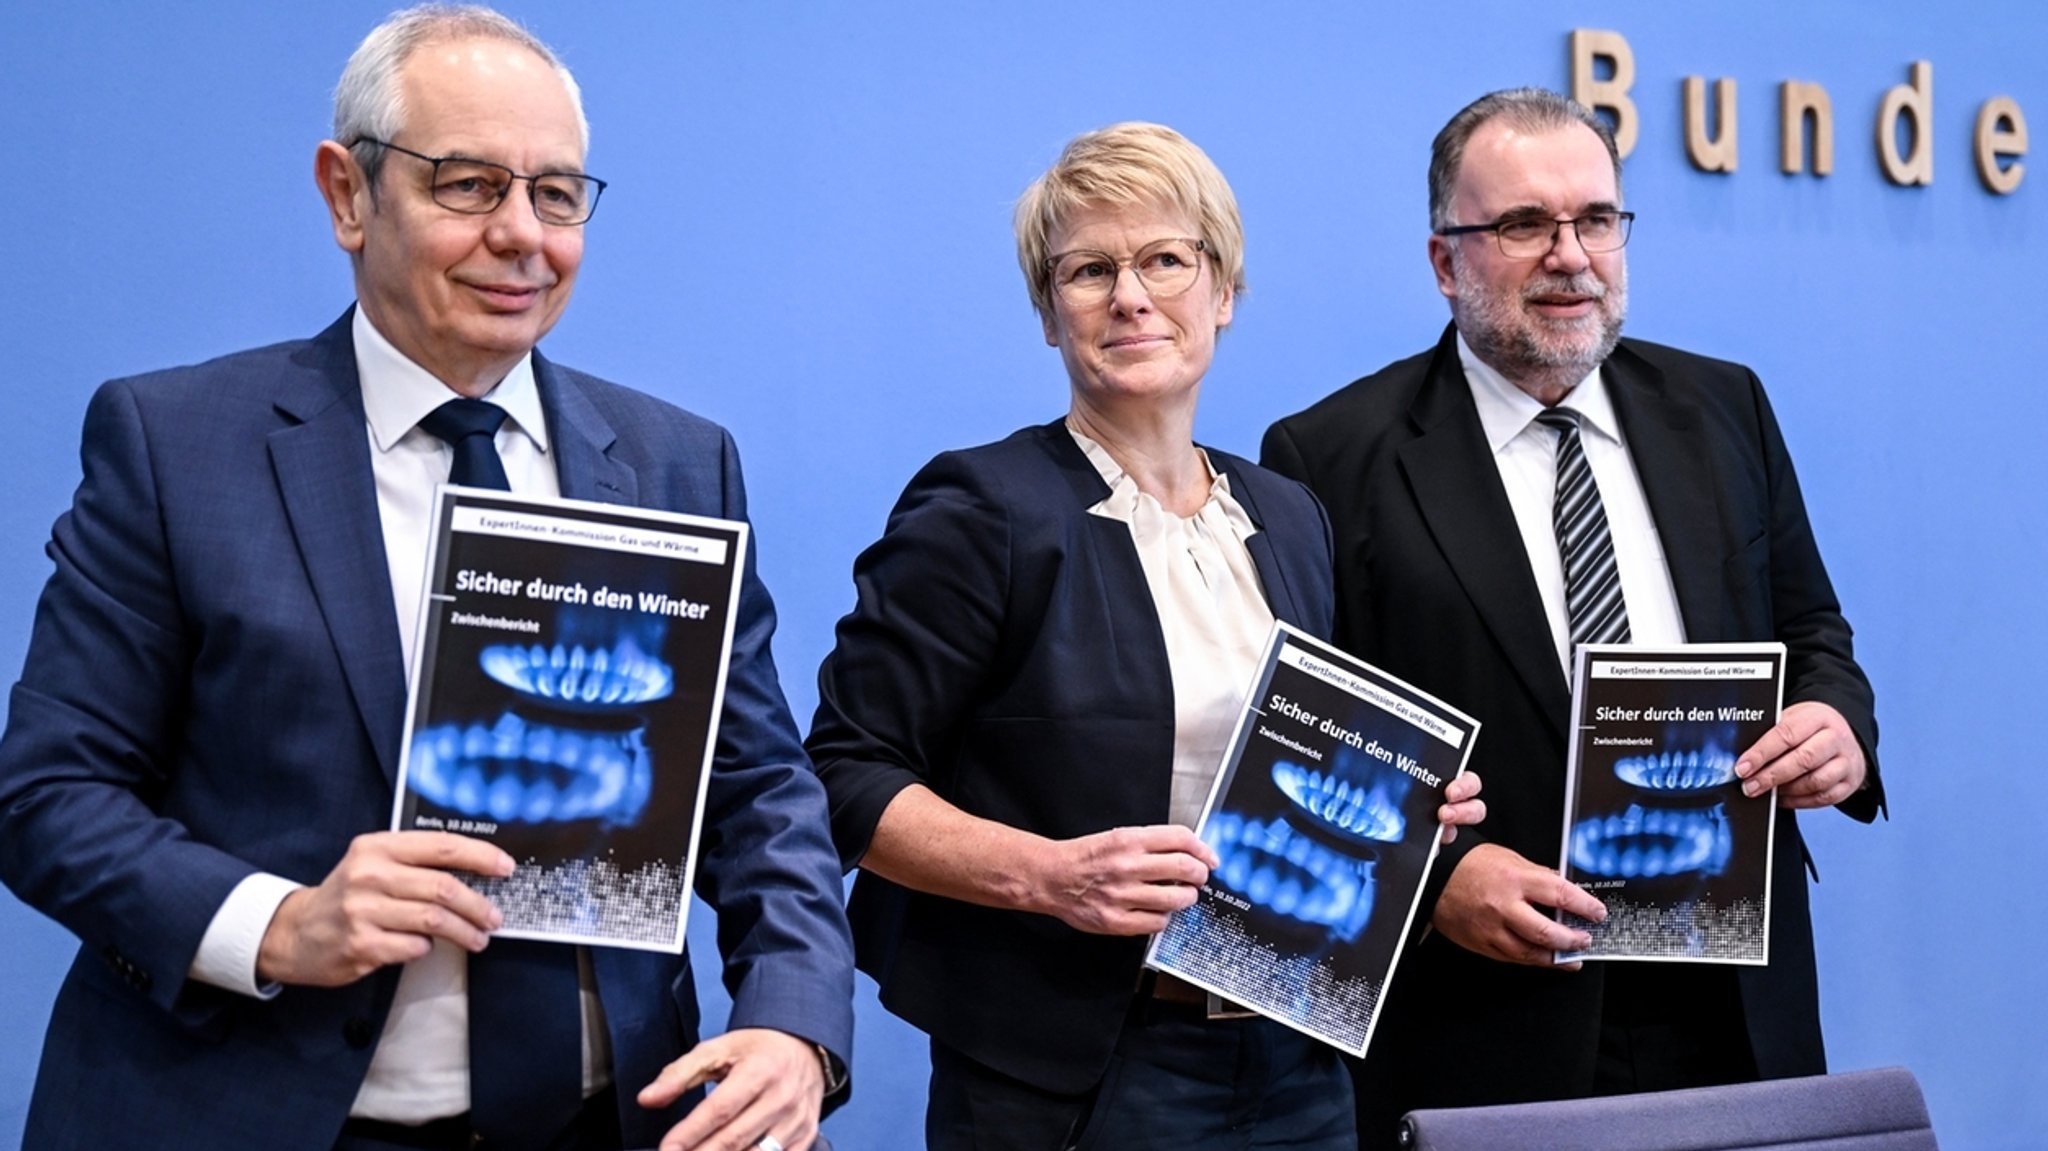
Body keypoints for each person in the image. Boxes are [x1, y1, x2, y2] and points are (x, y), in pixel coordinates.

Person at [0, 7, 852, 1150]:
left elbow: (754, 787)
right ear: (348, 194)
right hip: (253, 1115)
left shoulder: (673, 463)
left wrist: (794, 1020)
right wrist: (278, 922)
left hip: (603, 1123)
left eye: (556, 194)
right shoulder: (173, 444)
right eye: (466, 185)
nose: (522, 236)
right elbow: (50, 793)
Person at [805, 121, 1484, 1151]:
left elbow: (1292, 775)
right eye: (1087, 269)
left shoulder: (1286, 514)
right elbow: (846, 774)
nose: (1129, 295)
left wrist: (1396, 815)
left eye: (1165, 258)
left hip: (1296, 1058)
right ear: (1048, 312)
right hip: (1078, 1072)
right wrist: (1044, 874)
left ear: (1221, 292)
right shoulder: (982, 509)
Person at [1261, 88, 1884, 1149]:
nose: (1569, 254)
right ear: (1442, 259)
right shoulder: (1328, 456)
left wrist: (1838, 725)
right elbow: (1315, 756)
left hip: (1733, 992)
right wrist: (1436, 879)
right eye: (1521, 225)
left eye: (1595, 219)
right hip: (1488, 1013)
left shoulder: (1721, 405)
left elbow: (1812, 628)